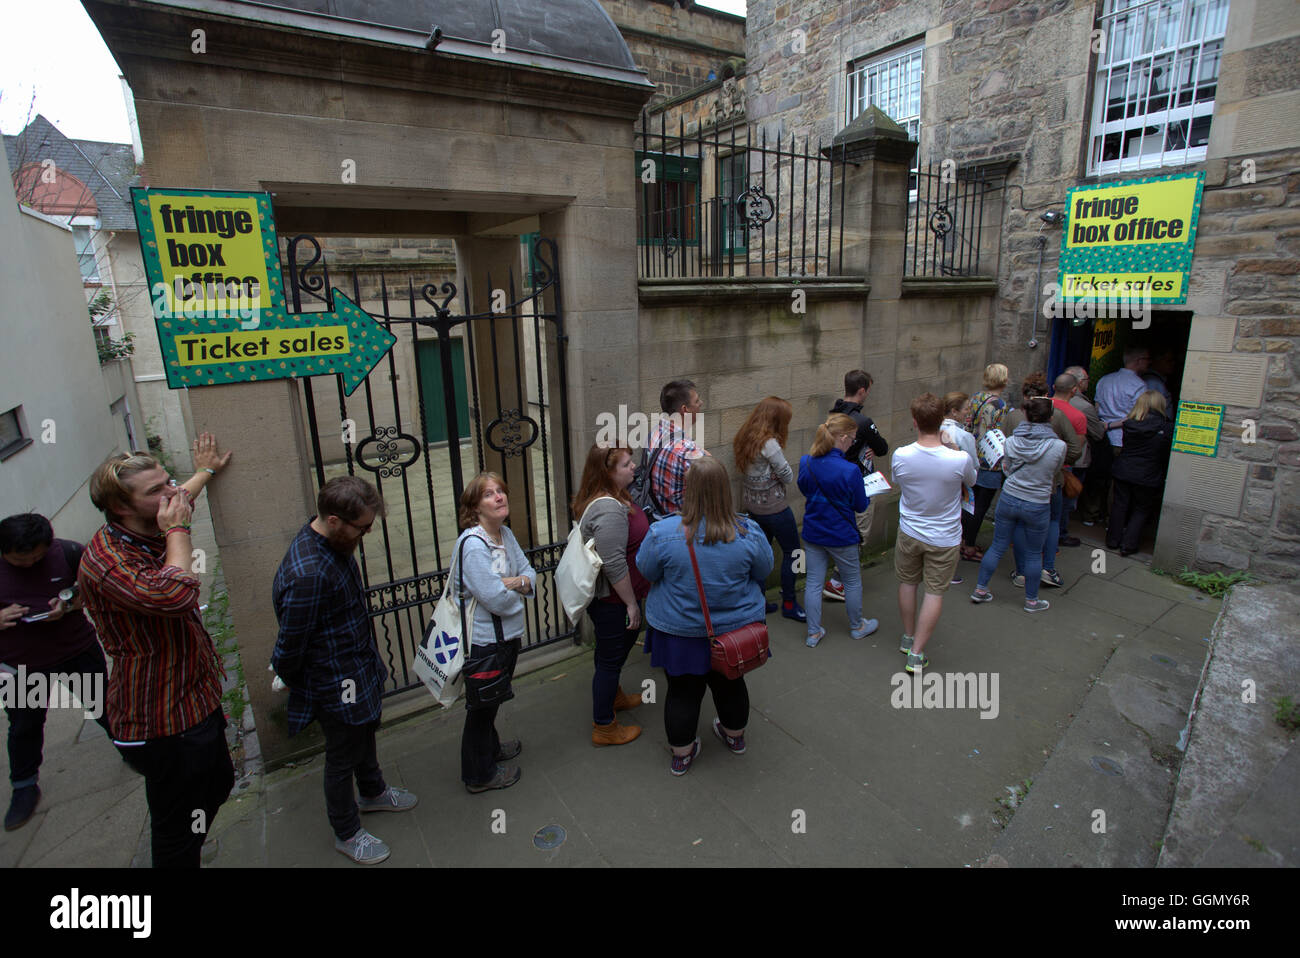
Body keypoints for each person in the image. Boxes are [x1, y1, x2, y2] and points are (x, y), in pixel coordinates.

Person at [78, 435, 235, 868]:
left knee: (218, 783)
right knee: (175, 829)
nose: (172, 494)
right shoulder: (108, 560)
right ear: (121, 508)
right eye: (157, 491)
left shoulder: (148, 519)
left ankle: (192, 845)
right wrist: (179, 530)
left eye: (168, 481)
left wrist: (206, 470)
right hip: (159, 716)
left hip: (196, 699)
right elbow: (175, 595)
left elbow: (178, 496)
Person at [272, 476, 417, 865]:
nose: (367, 534)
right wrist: (287, 674)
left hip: (356, 666)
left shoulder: (334, 542)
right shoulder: (309, 574)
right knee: (341, 755)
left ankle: (372, 791)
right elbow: (291, 642)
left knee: (363, 731)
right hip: (334, 680)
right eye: (363, 527)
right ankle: (347, 831)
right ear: (334, 520)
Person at [635, 457, 771, 776]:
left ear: (688, 490)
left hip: (679, 631)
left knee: (682, 692)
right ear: (726, 489)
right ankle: (734, 736)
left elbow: (646, 570)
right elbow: (763, 570)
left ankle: (682, 754)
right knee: (731, 685)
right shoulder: (748, 532)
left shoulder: (662, 533)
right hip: (735, 634)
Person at [0, 513, 112, 831]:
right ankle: (24, 786)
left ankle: (131, 749)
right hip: (20, 666)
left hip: (75, 651)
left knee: (104, 705)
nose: (33, 562)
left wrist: (70, 604)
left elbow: (94, 589)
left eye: (38, 556)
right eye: (23, 560)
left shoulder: (67, 552)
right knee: (24, 725)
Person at [454, 472, 536, 793]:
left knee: (492, 702)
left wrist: (514, 582)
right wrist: (516, 587)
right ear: (475, 507)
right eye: (489, 494)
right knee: (481, 709)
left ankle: (491, 750)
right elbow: (494, 598)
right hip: (485, 643)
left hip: (506, 637)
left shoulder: (504, 534)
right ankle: (478, 775)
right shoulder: (474, 546)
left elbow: (530, 573)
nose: (499, 497)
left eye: (501, 490)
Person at [893, 394, 978, 673]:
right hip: (944, 537)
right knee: (934, 592)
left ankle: (908, 637)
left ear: (915, 422)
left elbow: (898, 481)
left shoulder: (901, 455)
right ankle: (916, 654)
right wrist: (952, 446)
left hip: (909, 532)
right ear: (941, 421)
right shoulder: (958, 458)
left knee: (908, 583)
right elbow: (972, 479)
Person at [572, 445, 649, 747]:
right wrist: (631, 604)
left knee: (611, 655)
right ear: (608, 472)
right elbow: (614, 562)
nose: (634, 468)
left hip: (617, 602)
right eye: (627, 464)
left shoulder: (615, 496)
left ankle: (614, 697)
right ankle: (604, 726)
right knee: (609, 660)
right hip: (614, 603)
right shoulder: (608, 509)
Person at [970, 398, 1066, 613]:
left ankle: (980, 589)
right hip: (1038, 503)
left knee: (997, 545)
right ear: (1050, 418)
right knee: (1033, 554)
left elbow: (1007, 467)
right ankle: (1031, 601)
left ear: (1027, 415)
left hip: (1009, 498)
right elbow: (1055, 471)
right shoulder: (1059, 446)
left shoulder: (1011, 441)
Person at [797, 413, 877, 647]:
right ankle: (857, 626)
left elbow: (804, 488)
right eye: (852, 439)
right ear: (842, 437)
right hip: (842, 534)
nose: (853, 443)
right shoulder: (850, 470)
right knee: (852, 582)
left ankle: (813, 632)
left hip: (813, 531)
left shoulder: (806, 462)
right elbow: (861, 505)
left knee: (813, 582)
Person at [1004, 372, 1082, 589]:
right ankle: (1047, 569)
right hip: (1051, 482)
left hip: (1018, 482)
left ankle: (1021, 573)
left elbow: (1003, 445)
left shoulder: (1012, 417)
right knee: (1052, 523)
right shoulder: (1056, 416)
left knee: (1020, 525)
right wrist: (1055, 461)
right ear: (1046, 395)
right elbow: (1075, 448)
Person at [734, 396, 805, 621]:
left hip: (753, 509)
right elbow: (788, 475)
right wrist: (774, 475)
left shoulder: (745, 436)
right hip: (775, 509)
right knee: (795, 553)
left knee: (759, 556)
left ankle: (759, 602)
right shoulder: (770, 443)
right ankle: (790, 602)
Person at [824, 369, 890, 600]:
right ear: (862, 390)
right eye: (868, 390)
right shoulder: (862, 421)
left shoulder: (833, 414)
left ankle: (837, 577)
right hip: (858, 483)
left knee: (844, 528)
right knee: (859, 531)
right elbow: (882, 448)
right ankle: (838, 581)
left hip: (834, 482)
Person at [1088, 346, 1152, 525]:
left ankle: (1090, 514)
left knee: (1098, 475)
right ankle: (1111, 519)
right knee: (1117, 482)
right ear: (1138, 360)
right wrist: (1112, 425)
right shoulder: (1140, 386)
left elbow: (1097, 408)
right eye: (1147, 359)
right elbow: (1137, 416)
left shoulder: (1105, 380)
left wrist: (1103, 425)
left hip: (1100, 436)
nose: (1149, 363)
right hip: (1122, 439)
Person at [1107, 391, 1174, 556]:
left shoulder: (1130, 424)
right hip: (1148, 473)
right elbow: (1164, 454)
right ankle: (1128, 545)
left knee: (1119, 505)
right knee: (1141, 509)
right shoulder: (1166, 428)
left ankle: (1113, 540)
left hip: (1124, 469)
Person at [961, 363, 1012, 561]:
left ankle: (964, 541)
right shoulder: (999, 406)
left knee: (969, 503)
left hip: (972, 456)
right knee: (981, 507)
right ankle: (970, 547)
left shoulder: (976, 398)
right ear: (1003, 380)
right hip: (990, 463)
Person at [648, 379, 706, 516]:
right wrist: (707, 458)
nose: (701, 403)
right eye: (697, 401)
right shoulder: (688, 450)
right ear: (685, 410)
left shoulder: (655, 433)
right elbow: (712, 492)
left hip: (661, 515)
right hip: (686, 526)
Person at [1062, 366, 1106, 543]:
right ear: (1078, 384)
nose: (1088, 383)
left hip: (1055, 458)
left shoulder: (1049, 402)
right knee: (1068, 499)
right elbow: (1098, 434)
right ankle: (1061, 534)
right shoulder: (1084, 408)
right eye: (1086, 380)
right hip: (1075, 460)